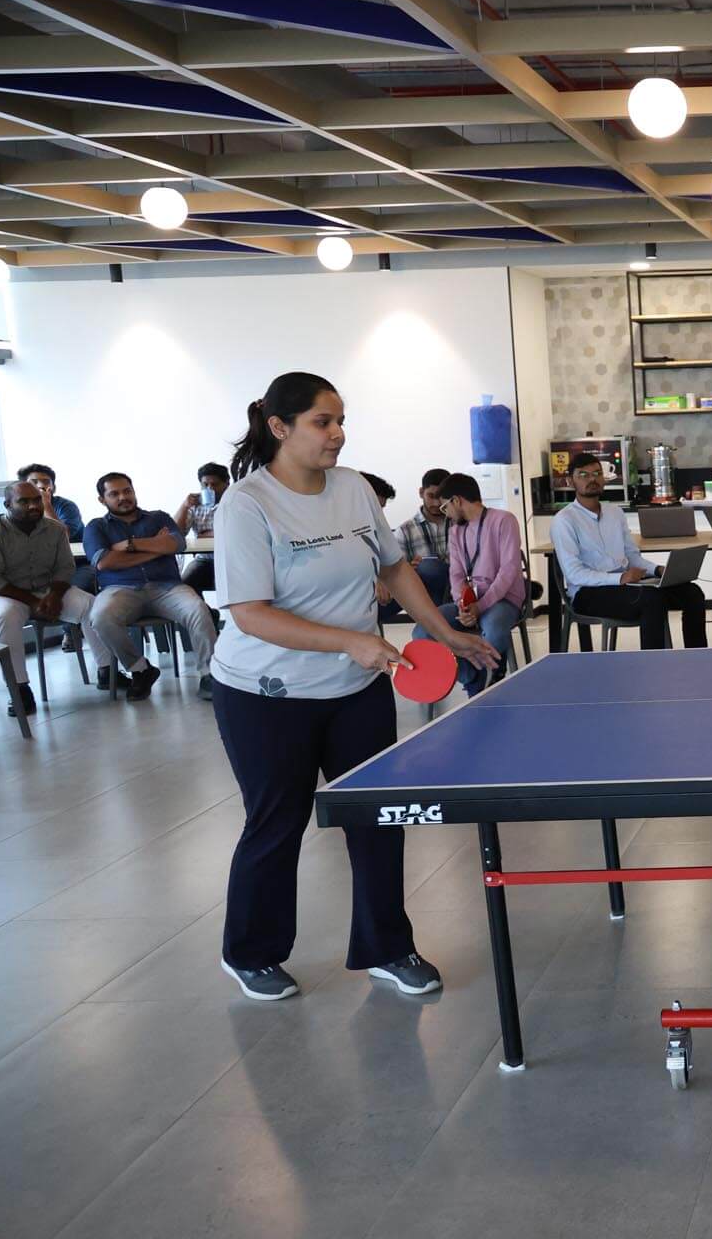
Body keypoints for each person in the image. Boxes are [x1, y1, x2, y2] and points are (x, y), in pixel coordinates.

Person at [212, 372, 497, 1001]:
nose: (337, 434)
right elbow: (250, 612)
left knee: (377, 818)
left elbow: (394, 568)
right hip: (266, 694)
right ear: (279, 427)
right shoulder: (247, 504)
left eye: (341, 421)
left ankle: (387, 946)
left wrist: (444, 633)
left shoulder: (353, 490)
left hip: (356, 687)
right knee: (277, 821)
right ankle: (250, 952)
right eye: (322, 422)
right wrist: (350, 640)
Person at [551, 451, 708, 649]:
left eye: (597, 473)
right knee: (651, 599)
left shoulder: (615, 513)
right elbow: (574, 575)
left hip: (625, 586)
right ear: (570, 481)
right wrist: (619, 579)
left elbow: (633, 557)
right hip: (588, 593)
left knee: (692, 593)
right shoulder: (564, 521)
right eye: (583, 475)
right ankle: (653, 665)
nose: (592, 479)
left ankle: (698, 658)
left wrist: (657, 570)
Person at [84, 472, 219, 701]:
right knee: (99, 616)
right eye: (114, 494)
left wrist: (129, 545)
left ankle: (210, 674)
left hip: (168, 587)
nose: (123, 497)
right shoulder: (96, 527)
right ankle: (140, 670)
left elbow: (176, 543)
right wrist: (155, 547)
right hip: (120, 589)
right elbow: (105, 562)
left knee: (198, 608)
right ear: (102, 499)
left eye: (127, 491)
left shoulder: (158, 518)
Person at [0, 481, 108, 717]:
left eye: (36, 500)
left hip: (48, 590)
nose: (33, 505)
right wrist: (34, 602)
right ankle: (20, 689)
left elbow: (65, 569)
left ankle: (107, 671)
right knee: (6, 616)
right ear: (7, 505)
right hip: (7, 594)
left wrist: (54, 596)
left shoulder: (54, 529)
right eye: (24, 501)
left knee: (91, 605)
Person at [411, 473, 524, 697]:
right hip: (469, 602)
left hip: (502, 599)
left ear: (456, 500)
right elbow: (456, 572)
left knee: (492, 631)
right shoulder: (455, 530)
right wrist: (462, 605)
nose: (446, 514)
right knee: (422, 631)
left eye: (445, 507)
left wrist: (480, 606)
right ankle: (472, 677)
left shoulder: (504, 520)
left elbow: (509, 570)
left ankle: (488, 675)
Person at [17, 462, 93, 594]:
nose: (41, 486)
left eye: (46, 482)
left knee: (66, 594)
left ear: (53, 486)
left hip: (77, 564)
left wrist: (45, 504)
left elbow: (63, 536)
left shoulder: (66, 506)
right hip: (40, 567)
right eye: (34, 482)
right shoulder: (18, 510)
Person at [386, 467, 452, 614]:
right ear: (421, 492)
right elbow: (397, 571)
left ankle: (436, 626)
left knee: (430, 567)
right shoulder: (405, 530)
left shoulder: (460, 523)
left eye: (441, 497)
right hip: (423, 591)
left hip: (456, 586)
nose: (436, 503)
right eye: (431, 496)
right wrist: (411, 568)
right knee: (426, 569)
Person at [174, 462, 230, 595]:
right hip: (204, 559)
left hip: (230, 559)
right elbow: (175, 533)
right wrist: (184, 506)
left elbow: (236, 532)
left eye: (214, 484)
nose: (209, 488)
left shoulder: (235, 502)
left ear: (226, 484)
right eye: (205, 485)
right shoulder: (195, 505)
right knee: (184, 586)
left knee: (231, 585)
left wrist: (206, 534)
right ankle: (208, 613)